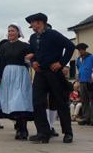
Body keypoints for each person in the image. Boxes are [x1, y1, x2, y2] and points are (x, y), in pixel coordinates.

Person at [26, 13, 75, 144]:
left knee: (60, 101)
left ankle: (68, 132)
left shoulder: (53, 34)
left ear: (40, 22)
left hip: (54, 72)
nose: (31, 25)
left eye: (32, 22)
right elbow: (31, 53)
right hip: (40, 73)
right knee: (37, 102)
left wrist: (61, 63)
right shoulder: (32, 37)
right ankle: (43, 132)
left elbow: (70, 46)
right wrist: (33, 62)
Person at [0, 23, 33, 140]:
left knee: (20, 101)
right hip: (7, 76)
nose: (10, 33)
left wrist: (29, 58)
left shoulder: (24, 45)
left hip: (21, 74)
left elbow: (34, 54)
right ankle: (18, 127)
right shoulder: (4, 47)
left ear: (18, 32)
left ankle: (23, 129)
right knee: (12, 103)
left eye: (12, 31)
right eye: (9, 31)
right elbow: (0, 63)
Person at [75, 43, 93, 126]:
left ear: (84, 50)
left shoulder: (92, 58)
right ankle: (85, 117)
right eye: (79, 50)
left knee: (92, 100)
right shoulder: (78, 59)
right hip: (82, 82)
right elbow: (79, 69)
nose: (80, 51)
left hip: (90, 81)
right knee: (84, 100)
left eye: (81, 50)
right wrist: (78, 80)